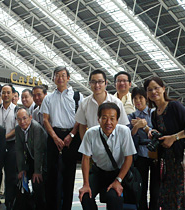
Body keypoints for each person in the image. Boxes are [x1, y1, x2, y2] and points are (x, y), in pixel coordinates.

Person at [79, 103, 136, 210]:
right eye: (104, 118)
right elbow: (85, 159)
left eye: (112, 118)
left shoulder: (124, 131)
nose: (108, 122)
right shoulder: (90, 133)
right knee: (85, 196)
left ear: (117, 120)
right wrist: (85, 184)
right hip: (98, 172)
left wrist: (118, 180)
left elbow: (129, 158)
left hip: (117, 173)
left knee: (114, 197)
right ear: (98, 119)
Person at [40, 66, 82, 210]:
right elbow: (45, 120)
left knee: (69, 175)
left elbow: (80, 118)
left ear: (68, 78)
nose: (60, 78)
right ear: (53, 78)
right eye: (57, 75)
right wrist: (55, 137)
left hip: (72, 136)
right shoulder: (49, 98)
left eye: (63, 75)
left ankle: (66, 207)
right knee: (52, 174)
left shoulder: (77, 96)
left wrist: (71, 135)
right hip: (54, 135)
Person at [144, 77, 185, 209]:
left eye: (156, 88)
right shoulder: (154, 114)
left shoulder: (174, 106)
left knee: (180, 196)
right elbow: (165, 134)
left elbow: (175, 134)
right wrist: (155, 133)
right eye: (150, 90)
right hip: (167, 163)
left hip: (181, 161)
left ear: (163, 89)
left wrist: (174, 137)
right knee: (168, 197)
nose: (153, 92)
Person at [127, 87, 159, 210]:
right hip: (139, 154)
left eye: (140, 97)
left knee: (155, 186)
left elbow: (159, 132)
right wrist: (136, 127)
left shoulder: (154, 113)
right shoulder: (131, 116)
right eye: (135, 98)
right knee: (141, 186)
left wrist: (145, 127)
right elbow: (128, 136)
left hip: (154, 153)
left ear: (146, 98)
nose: (138, 100)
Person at [75, 70, 129, 140]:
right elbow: (82, 126)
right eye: (93, 82)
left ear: (106, 83)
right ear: (90, 83)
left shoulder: (116, 102)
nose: (97, 85)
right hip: (93, 144)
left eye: (100, 82)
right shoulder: (84, 103)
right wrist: (86, 144)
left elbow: (123, 126)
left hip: (113, 143)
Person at [0, 84, 18, 210]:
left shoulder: (17, 110)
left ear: (13, 94)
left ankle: (9, 202)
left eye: (8, 92)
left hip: (11, 145)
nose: (6, 95)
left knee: (10, 175)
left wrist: (5, 137)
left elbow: (17, 129)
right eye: (3, 92)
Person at [15, 108, 47, 209]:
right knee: (20, 181)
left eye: (24, 118)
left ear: (30, 117)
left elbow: (38, 151)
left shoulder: (36, 127)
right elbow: (19, 150)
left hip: (44, 160)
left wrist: (37, 171)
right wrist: (21, 170)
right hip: (30, 158)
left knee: (37, 183)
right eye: (19, 119)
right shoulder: (17, 129)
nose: (22, 122)